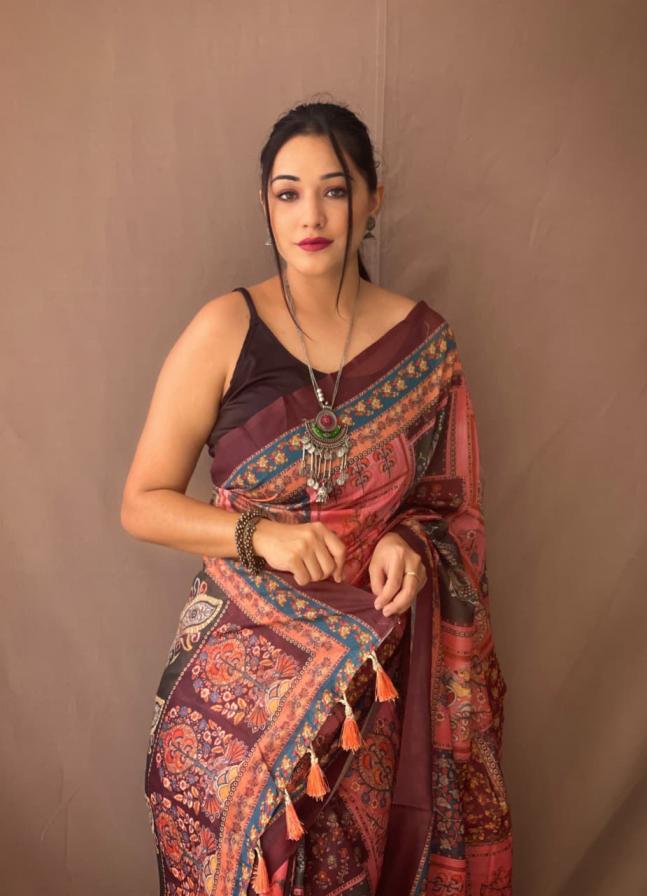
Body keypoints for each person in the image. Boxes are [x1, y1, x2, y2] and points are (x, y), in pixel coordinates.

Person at [121, 99, 513, 896]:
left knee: (343, 871)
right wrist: (258, 534)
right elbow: (143, 502)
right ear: (265, 206)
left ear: (371, 202)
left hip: (368, 688)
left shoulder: (423, 345)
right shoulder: (225, 328)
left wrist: (407, 541)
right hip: (231, 700)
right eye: (288, 193)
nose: (310, 215)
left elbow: (449, 510)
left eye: (334, 191)